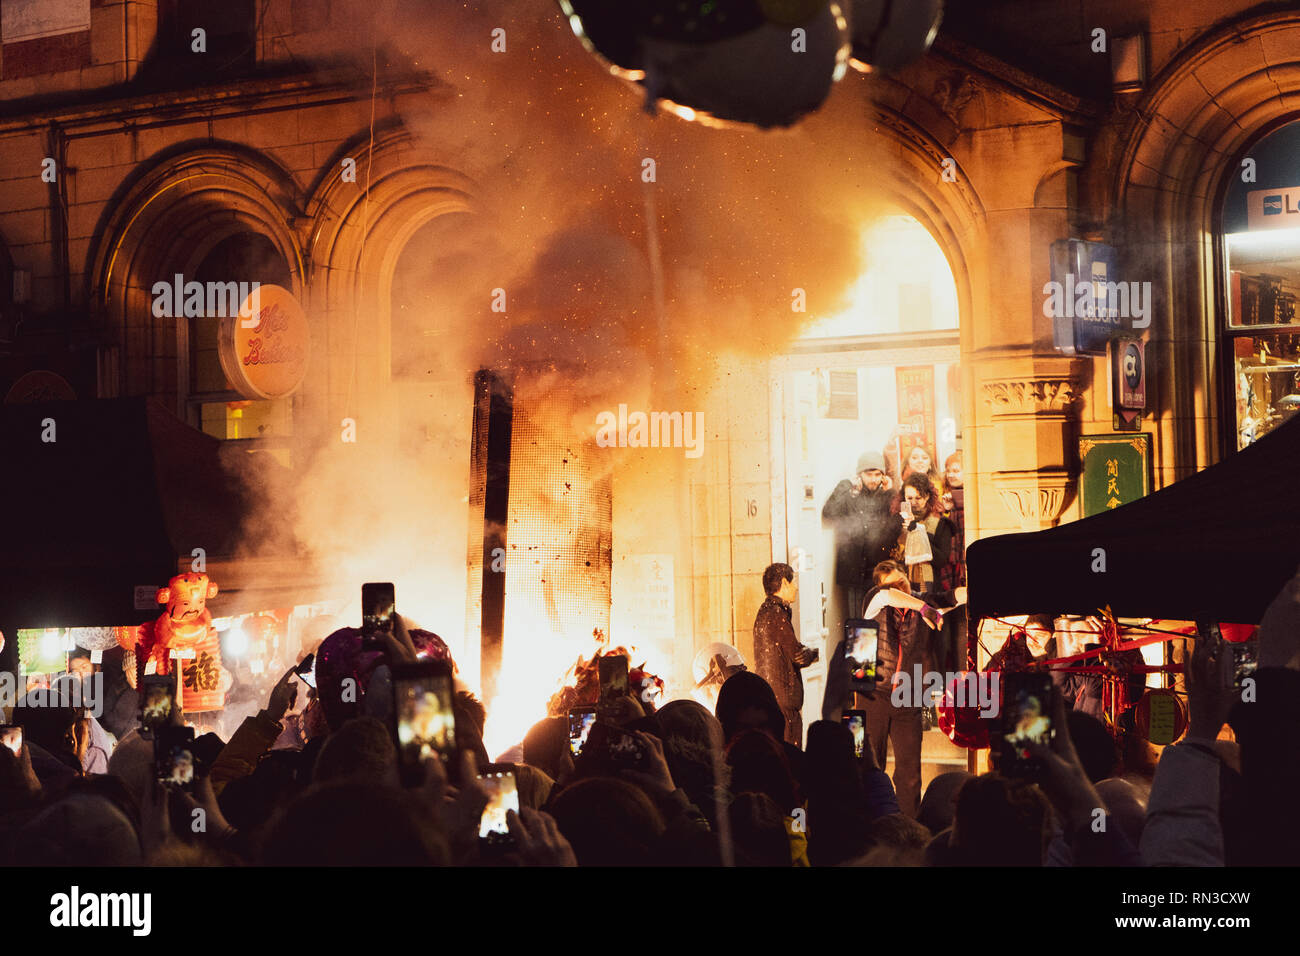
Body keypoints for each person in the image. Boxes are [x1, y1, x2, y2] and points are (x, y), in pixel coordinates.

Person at [822, 451, 897, 622]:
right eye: (868, 474)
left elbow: (895, 525)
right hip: (854, 570)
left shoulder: (887, 495)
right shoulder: (849, 492)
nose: (873, 479)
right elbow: (829, 513)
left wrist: (891, 492)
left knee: (879, 620)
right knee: (858, 622)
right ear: (859, 474)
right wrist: (847, 488)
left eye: (878, 474)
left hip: (878, 570)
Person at [752, 563, 816, 746]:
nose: (796, 587)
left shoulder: (767, 611)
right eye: (793, 581)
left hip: (773, 698)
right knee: (789, 756)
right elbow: (797, 654)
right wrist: (812, 653)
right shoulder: (776, 613)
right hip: (784, 702)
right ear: (784, 583)